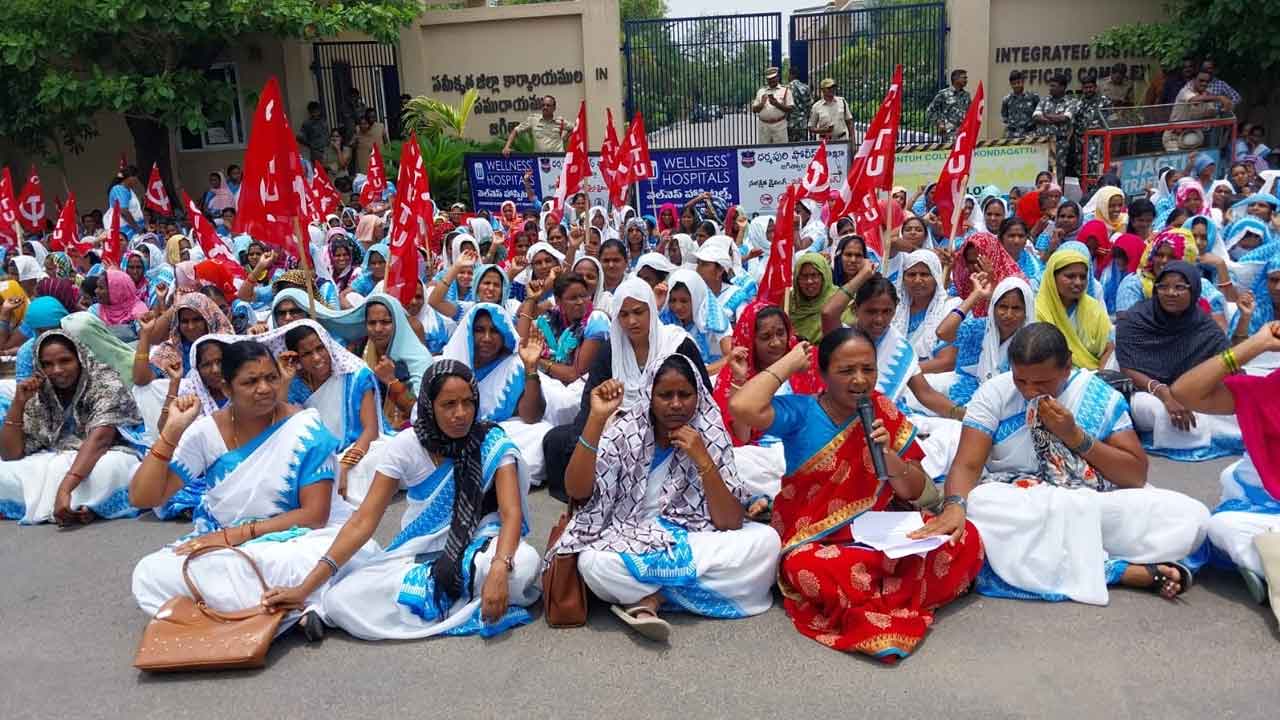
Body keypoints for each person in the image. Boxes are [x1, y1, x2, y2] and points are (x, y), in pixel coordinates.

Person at [730, 327, 981, 661]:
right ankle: (894, 594)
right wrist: (788, 363)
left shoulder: (881, 409)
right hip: (820, 539)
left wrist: (891, 461)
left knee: (967, 537)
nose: (860, 380)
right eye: (846, 371)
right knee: (809, 567)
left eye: (868, 369)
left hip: (882, 531)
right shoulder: (802, 412)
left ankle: (875, 596)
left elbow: (918, 491)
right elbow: (741, 405)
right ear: (823, 374)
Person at [913, 323, 1210, 604]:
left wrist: (1075, 436)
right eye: (1021, 380)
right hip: (1019, 501)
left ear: (1067, 366)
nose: (1030, 390)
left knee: (1191, 517)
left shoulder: (1098, 396)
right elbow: (967, 465)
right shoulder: (994, 393)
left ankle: (1070, 554)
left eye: (1042, 382)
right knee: (980, 502)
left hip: (1090, 501)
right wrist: (954, 506)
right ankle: (1117, 570)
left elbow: (1134, 475)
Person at [261, 360, 541, 640]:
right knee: (339, 599)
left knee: (524, 565)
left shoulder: (490, 440)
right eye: (448, 404)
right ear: (430, 406)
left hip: (482, 544)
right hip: (419, 554)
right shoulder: (407, 446)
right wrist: (304, 589)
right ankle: (455, 599)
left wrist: (499, 566)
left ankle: (441, 599)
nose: (461, 413)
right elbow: (362, 521)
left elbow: (511, 513)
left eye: (468, 402)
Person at [130, 341, 373, 640]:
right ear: (226, 388)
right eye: (251, 381)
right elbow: (144, 497)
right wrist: (171, 432)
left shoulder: (305, 428)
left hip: (297, 538)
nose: (264, 389)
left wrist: (235, 535)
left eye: (271, 378)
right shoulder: (207, 432)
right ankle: (290, 608)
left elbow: (314, 516)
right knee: (151, 573)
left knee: (313, 558)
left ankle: (231, 612)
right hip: (229, 547)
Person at [548, 355, 780, 642]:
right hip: (627, 536)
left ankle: (649, 597)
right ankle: (676, 592)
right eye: (665, 395)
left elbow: (729, 522)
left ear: (698, 395)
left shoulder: (709, 432)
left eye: (685, 395)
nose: (676, 404)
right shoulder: (627, 431)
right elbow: (576, 490)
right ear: (649, 395)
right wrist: (596, 419)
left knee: (767, 542)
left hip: (695, 535)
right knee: (594, 563)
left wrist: (702, 459)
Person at [1170, 322, 1280, 619]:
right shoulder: (1271, 390)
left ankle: (1265, 566)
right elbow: (1184, 392)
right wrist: (1256, 344)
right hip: (1268, 508)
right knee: (1223, 526)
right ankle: (1268, 566)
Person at [0, 331, 143, 525]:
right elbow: (10, 454)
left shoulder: (105, 382)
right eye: (47, 364)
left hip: (106, 451)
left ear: (80, 358)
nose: (57, 370)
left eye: (65, 361)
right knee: (7, 471)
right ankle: (75, 506)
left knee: (108, 468)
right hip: (56, 453)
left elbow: (101, 440)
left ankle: (80, 504)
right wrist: (18, 403)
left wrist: (65, 489)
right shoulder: (41, 389)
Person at [1118, 261, 1241, 461]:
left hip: (1190, 392)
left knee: (1237, 404)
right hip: (1146, 391)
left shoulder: (1202, 324)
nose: (1171, 293)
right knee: (1162, 413)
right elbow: (1127, 368)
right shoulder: (1136, 319)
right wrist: (1165, 394)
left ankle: (1205, 431)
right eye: (1163, 287)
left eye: (1179, 287)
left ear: (1194, 291)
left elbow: (1226, 360)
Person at [713, 301, 825, 504]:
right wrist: (740, 380)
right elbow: (742, 437)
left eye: (781, 334)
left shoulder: (807, 362)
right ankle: (775, 498)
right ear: (750, 340)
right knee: (733, 465)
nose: (776, 343)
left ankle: (770, 499)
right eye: (765, 337)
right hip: (760, 457)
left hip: (805, 447)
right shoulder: (735, 372)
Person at [321, 293, 433, 430]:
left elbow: (422, 413)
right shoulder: (361, 348)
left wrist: (392, 381)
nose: (378, 329)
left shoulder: (419, 360)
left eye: (385, 322)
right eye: (372, 323)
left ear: (398, 322)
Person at [936, 276, 1034, 405]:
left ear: (1026, 311)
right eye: (1003, 307)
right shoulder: (979, 328)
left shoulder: (1031, 341)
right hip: (965, 391)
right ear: (993, 307)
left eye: (1016, 308)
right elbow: (943, 333)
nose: (1008, 314)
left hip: (1010, 399)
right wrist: (975, 295)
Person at [661, 268, 731, 372]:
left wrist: (700, 373)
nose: (677, 307)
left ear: (697, 298)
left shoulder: (714, 318)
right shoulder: (666, 317)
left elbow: (730, 356)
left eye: (684, 301)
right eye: (672, 300)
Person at [1165, 68, 1233, 151]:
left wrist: (1225, 110)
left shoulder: (1207, 95)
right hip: (1174, 137)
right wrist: (1219, 98)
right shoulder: (1185, 91)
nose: (1204, 84)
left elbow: (1211, 114)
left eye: (1207, 82)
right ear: (1193, 80)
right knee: (1179, 158)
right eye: (1201, 80)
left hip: (1194, 138)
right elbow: (1195, 100)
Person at [1034, 74, 1079, 182]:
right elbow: (1036, 116)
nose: (1050, 88)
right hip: (1043, 144)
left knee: (1058, 174)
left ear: (1062, 87)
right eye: (1050, 86)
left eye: (1053, 86)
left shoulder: (1071, 102)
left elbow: (1065, 118)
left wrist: (1046, 116)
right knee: (1042, 172)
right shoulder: (1044, 100)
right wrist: (1055, 118)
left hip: (1060, 144)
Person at [502, 95, 570, 156]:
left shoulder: (560, 121)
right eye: (543, 105)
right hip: (539, 159)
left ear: (554, 108)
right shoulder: (533, 119)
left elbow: (574, 128)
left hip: (557, 159)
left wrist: (566, 137)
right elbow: (516, 131)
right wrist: (507, 147)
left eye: (548, 105)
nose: (545, 107)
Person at [1075, 73, 1113, 179]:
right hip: (1082, 144)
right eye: (1085, 88)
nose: (1088, 90)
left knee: (1098, 171)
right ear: (1082, 88)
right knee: (1082, 171)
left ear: (1095, 87)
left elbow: (1111, 120)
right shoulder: (1078, 103)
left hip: (1100, 143)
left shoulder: (1105, 101)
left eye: (1090, 87)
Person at [751, 67, 793, 145]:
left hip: (779, 125)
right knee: (764, 149)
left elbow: (790, 109)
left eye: (773, 78)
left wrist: (777, 104)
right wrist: (762, 104)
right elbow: (754, 110)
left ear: (778, 77)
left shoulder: (785, 91)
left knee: (781, 149)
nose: (771, 80)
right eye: (769, 79)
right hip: (764, 126)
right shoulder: (761, 91)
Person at [926, 69, 971, 141]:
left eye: (966, 78)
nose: (966, 80)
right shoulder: (944, 94)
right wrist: (940, 123)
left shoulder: (966, 95)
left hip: (963, 134)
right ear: (956, 79)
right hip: (948, 135)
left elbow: (970, 113)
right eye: (964, 78)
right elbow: (930, 111)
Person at [808, 78, 853, 142]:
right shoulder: (816, 106)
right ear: (823, 90)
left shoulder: (842, 102)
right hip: (825, 142)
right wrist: (824, 130)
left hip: (841, 140)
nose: (832, 90)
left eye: (833, 88)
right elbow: (811, 128)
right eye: (829, 88)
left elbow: (849, 123)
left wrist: (852, 140)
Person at [1001, 70, 1040, 139]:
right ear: (1010, 84)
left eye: (1018, 83)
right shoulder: (1007, 99)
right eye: (1013, 84)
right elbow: (1005, 117)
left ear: (1023, 82)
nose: (1016, 85)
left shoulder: (1033, 97)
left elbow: (1038, 115)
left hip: (1030, 135)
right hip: (1012, 136)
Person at [297, 101, 329, 165]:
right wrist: (311, 144)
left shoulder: (323, 121)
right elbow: (299, 137)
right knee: (319, 169)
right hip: (316, 152)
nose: (316, 113)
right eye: (314, 111)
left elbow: (326, 133)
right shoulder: (307, 123)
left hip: (326, 150)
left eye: (317, 110)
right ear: (310, 112)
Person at [787, 67, 812, 143]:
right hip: (803, 123)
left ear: (791, 75)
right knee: (802, 145)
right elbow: (809, 105)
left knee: (791, 145)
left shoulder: (786, 88)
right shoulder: (806, 87)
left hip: (791, 122)